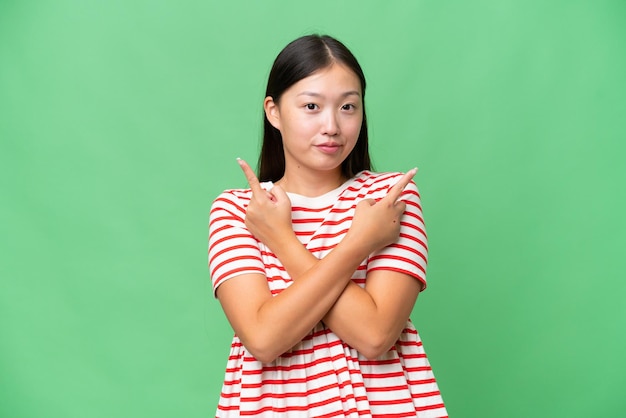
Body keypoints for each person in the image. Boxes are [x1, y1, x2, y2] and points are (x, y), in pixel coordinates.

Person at [208, 34, 447, 418]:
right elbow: (264, 339)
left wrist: (281, 240)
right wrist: (359, 245)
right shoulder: (240, 210)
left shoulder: (390, 198)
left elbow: (375, 335)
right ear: (274, 112)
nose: (332, 125)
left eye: (348, 107)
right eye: (312, 106)